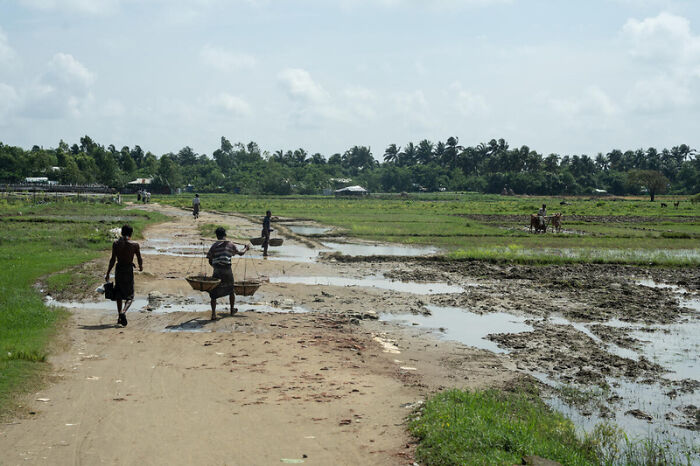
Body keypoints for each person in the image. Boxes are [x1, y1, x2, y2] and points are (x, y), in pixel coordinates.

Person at [206, 227, 248, 320]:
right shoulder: (230, 244)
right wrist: (246, 248)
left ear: (217, 236)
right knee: (231, 289)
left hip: (217, 270)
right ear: (225, 235)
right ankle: (232, 310)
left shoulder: (214, 246)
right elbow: (240, 253)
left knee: (214, 291)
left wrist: (215, 266)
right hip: (227, 270)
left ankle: (213, 314)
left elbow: (209, 259)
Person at [105, 224, 143, 326]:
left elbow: (113, 259)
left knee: (118, 293)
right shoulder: (134, 244)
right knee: (130, 296)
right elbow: (139, 257)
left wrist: (108, 272)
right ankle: (123, 312)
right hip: (128, 270)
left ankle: (119, 317)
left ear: (121, 232)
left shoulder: (116, 244)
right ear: (131, 233)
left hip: (119, 269)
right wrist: (140, 266)